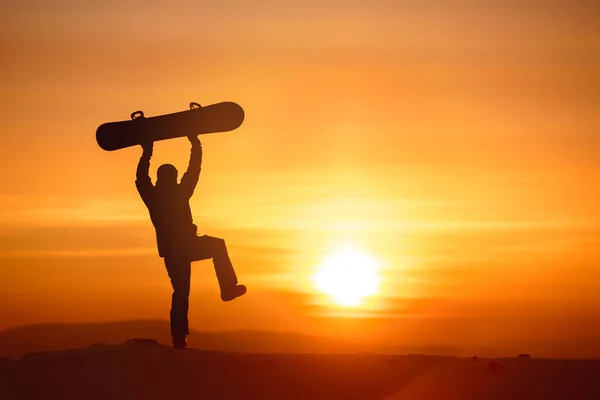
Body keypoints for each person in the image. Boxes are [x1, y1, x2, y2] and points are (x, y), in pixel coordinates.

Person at [135, 135, 246, 348]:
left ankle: (180, 336)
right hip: (184, 247)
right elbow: (193, 171)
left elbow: (142, 178)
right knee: (214, 249)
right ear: (172, 179)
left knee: (181, 291)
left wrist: (147, 152)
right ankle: (227, 290)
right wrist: (196, 144)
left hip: (177, 250)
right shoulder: (175, 193)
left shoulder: (156, 197)